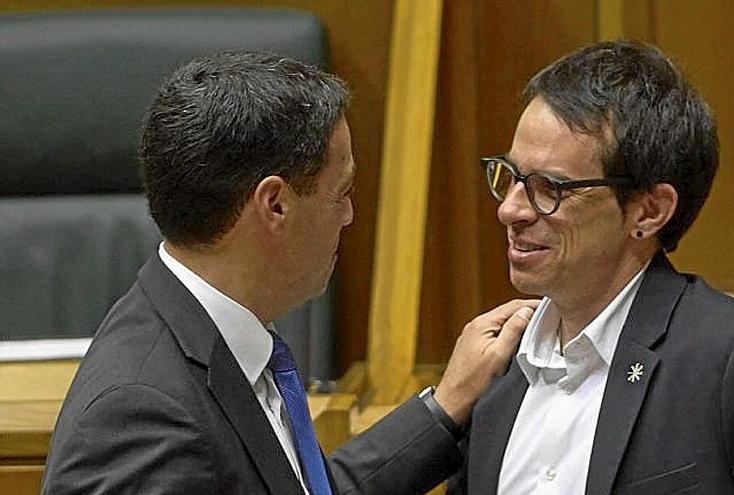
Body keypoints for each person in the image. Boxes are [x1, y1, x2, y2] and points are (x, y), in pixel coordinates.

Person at [41, 51, 536, 495]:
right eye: (340, 193)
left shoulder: (208, 330)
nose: (348, 217)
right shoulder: (142, 418)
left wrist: (445, 407)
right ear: (275, 204)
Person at [448, 41, 734, 494]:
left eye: (550, 187)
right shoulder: (496, 366)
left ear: (648, 211)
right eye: (510, 176)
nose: (510, 210)